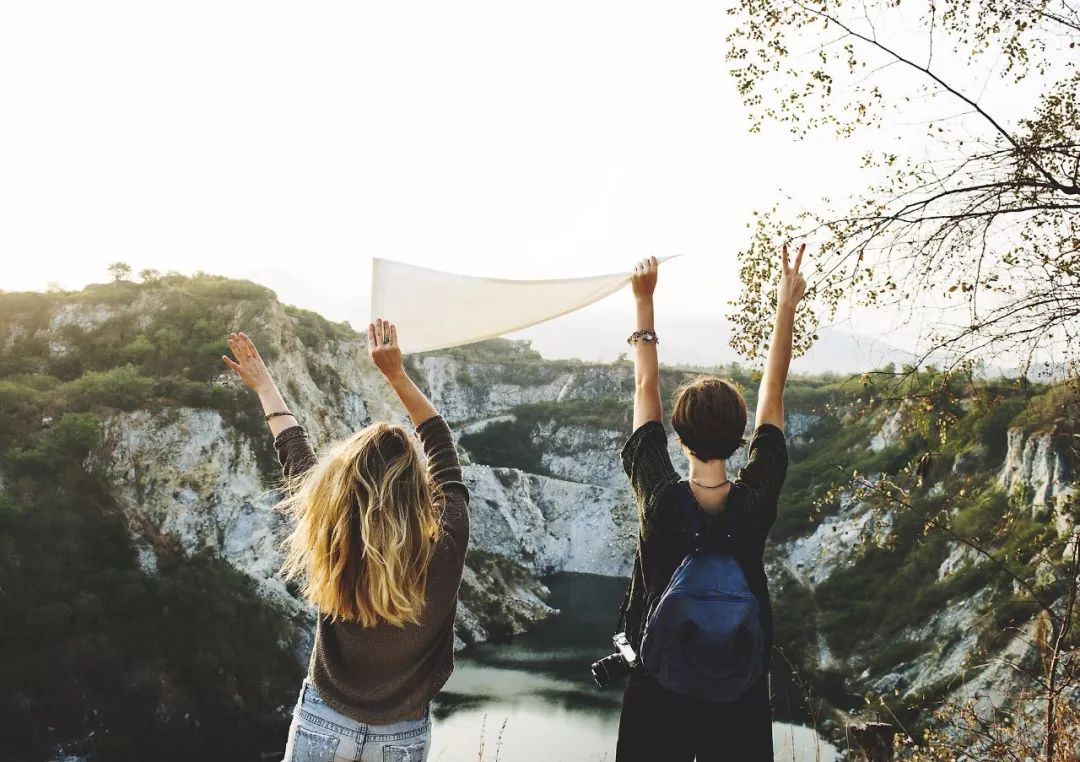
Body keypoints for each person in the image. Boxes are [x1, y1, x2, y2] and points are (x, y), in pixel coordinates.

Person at [222, 318, 469, 762]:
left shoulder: (330, 532)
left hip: (324, 720)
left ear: (342, 486)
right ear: (416, 487)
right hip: (402, 732)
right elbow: (441, 445)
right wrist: (396, 373)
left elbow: (295, 457)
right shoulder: (447, 542)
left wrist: (266, 388)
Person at [614, 246, 807, 761]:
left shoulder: (658, 500)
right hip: (738, 692)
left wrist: (644, 301)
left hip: (657, 688)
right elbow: (774, 390)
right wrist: (785, 308)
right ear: (742, 436)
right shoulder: (756, 500)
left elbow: (645, 385)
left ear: (679, 436)